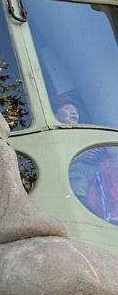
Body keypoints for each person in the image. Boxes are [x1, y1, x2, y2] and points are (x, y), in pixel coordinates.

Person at [57, 95, 118, 223]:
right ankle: (86, 216)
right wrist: (78, 157)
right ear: (55, 114)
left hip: (99, 173)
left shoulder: (86, 132)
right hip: (78, 176)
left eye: (75, 110)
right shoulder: (56, 136)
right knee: (78, 172)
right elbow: (54, 160)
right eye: (67, 108)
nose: (73, 112)